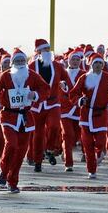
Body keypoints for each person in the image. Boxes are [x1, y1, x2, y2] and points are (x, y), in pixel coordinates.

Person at [0, 49, 49, 193]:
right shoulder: (5, 76)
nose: (20, 63)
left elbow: (45, 89)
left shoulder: (33, 76)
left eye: (22, 61)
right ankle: (3, 171)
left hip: (26, 118)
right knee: (12, 144)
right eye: (17, 61)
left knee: (21, 152)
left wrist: (35, 95)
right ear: (12, 63)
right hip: (8, 116)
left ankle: (12, 181)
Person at [69, 54, 108, 179]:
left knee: (100, 141)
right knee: (87, 143)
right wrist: (79, 100)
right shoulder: (84, 77)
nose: (98, 65)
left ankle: (100, 153)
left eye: (100, 63)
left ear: (103, 65)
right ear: (91, 64)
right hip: (86, 114)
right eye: (95, 63)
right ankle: (91, 170)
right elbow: (74, 93)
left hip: (101, 114)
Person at [30, 39, 69, 171]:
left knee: (54, 126)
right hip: (37, 104)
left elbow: (66, 79)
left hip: (53, 102)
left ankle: (50, 149)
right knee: (38, 133)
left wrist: (64, 85)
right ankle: (37, 161)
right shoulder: (31, 66)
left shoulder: (57, 66)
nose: (47, 51)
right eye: (44, 49)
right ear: (38, 51)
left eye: (48, 49)